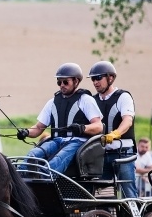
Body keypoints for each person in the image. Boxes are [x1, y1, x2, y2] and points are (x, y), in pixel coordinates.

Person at [17, 62, 103, 174]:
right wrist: (26, 132)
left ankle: (44, 179)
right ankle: (20, 178)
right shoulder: (52, 102)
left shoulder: (86, 100)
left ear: (76, 81)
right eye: (59, 82)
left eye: (65, 82)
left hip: (77, 142)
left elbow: (99, 126)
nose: (62, 85)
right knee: (33, 155)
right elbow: (38, 128)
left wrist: (82, 128)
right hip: (56, 141)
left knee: (58, 160)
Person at [88, 61, 137, 198]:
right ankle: (108, 213)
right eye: (93, 79)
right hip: (101, 154)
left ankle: (133, 212)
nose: (95, 82)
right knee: (103, 195)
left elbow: (127, 120)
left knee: (128, 193)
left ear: (110, 78)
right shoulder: (92, 100)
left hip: (123, 153)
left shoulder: (123, 97)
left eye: (98, 78)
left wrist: (115, 134)